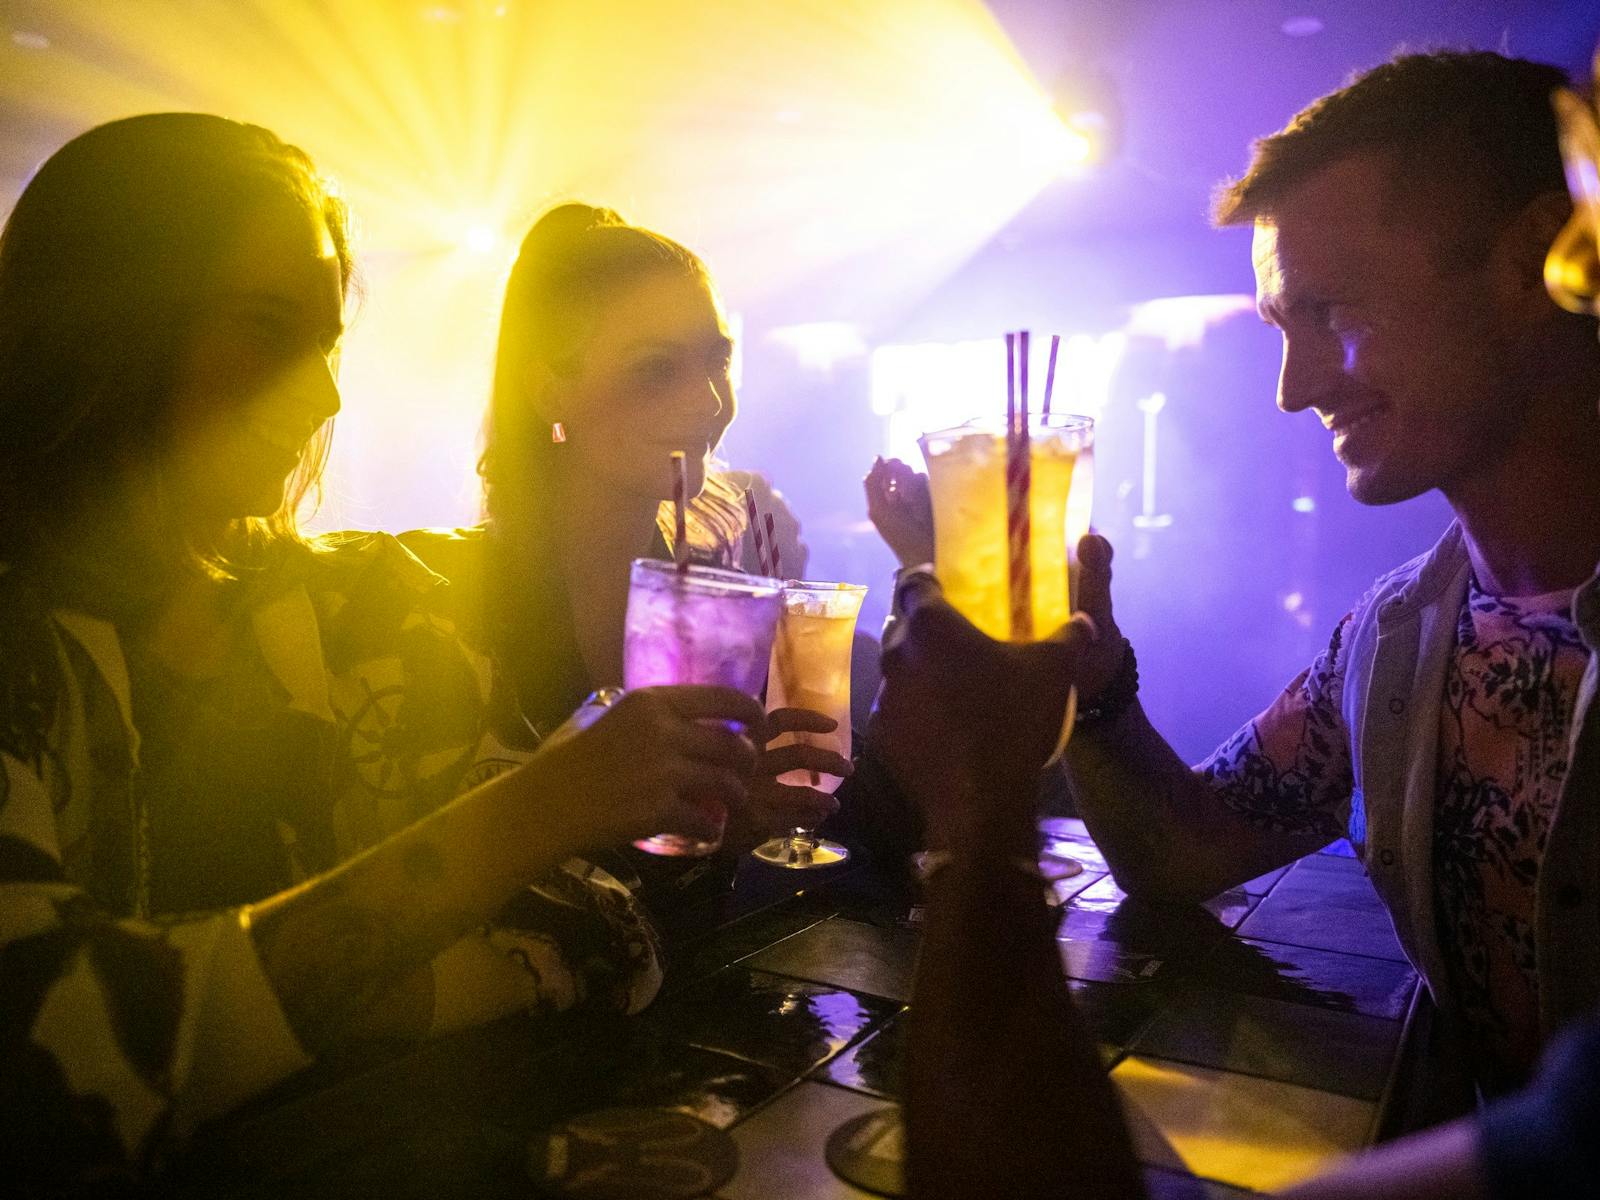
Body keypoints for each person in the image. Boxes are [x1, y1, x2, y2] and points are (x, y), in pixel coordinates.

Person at [0, 115, 769, 1191]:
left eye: (324, 342)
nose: (322, 396)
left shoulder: (356, 608)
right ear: (98, 324)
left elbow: (604, 930)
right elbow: (44, 1069)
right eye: (266, 327)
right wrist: (525, 822)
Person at [869, 50, 1600, 1096]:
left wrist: (975, 830)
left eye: (1333, 310)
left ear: (1532, 261)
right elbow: (1183, 850)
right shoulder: (1400, 635)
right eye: (1282, 328)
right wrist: (1095, 680)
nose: (1295, 388)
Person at [400, 205, 850, 860]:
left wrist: (736, 820)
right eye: (657, 368)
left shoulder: (722, 610)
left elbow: (677, 867)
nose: (710, 402)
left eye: (717, 360)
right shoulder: (444, 607)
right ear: (551, 391)